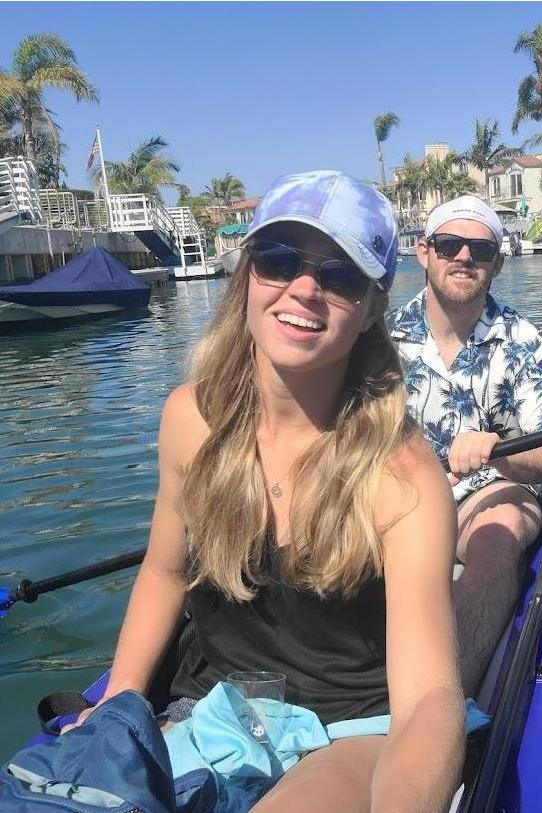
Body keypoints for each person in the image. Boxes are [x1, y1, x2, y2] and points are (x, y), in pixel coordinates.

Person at [66, 171, 465, 813]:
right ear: (248, 277)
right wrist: (119, 706)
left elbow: (427, 699)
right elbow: (166, 574)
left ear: (370, 310)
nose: (304, 288)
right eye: (279, 260)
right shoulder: (188, 422)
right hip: (211, 708)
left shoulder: (404, 479)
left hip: (347, 730)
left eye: (339, 276)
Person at [387, 195, 542, 697]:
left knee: (501, 531)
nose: (464, 257)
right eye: (450, 244)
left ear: (497, 263)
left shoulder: (528, 344)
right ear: (424, 252)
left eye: (481, 249)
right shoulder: (378, 340)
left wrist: (499, 450)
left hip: (487, 492)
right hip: (394, 492)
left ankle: (444, 703)